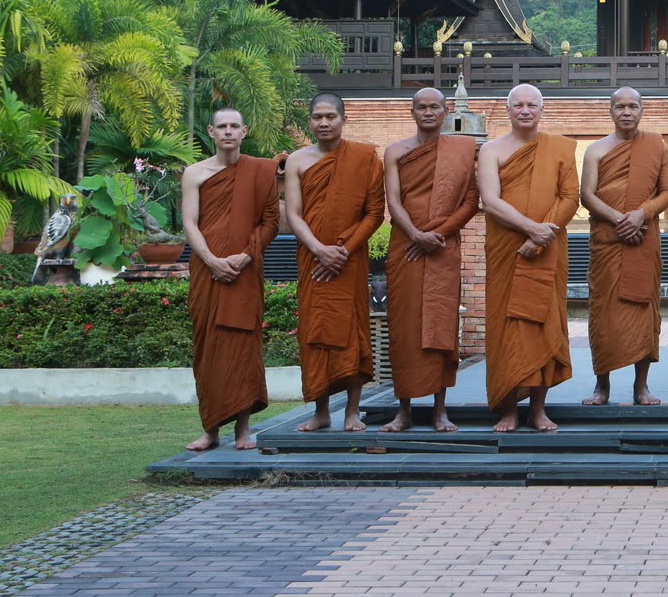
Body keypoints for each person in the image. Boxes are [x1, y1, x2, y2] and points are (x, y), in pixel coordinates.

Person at [479, 83, 579, 432]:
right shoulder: (490, 150)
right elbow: (490, 200)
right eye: (518, 104)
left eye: (531, 105)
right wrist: (529, 228)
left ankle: (537, 409)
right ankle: (508, 409)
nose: (525, 110)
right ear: (508, 110)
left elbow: (570, 197)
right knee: (506, 327)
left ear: (541, 109)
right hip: (507, 248)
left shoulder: (559, 148)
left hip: (547, 250)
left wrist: (542, 235)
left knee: (543, 324)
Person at [180, 107, 280, 452]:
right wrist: (211, 261)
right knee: (208, 350)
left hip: (243, 272)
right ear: (210, 131)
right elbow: (190, 223)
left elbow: (270, 222)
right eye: (221, 126)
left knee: (242, 350)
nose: (227, 132)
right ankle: (210, 430)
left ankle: (242, 430)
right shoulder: (194, 173)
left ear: (244, 131)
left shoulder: (260, 172)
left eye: (233, 126)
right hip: (208, 274)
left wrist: (246, 256)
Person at [379, 88, 480, 434]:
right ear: (412, 112)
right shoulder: (395, 152)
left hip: (441, 248)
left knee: (440, 326)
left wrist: (435, 233)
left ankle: (440, 411)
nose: (427, 112)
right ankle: (403, 411)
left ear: (445, 111)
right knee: (404, 328)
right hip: (406, 248)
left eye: (434, 107)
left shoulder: (463, 150)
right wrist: (416, 235)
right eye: (420, 107)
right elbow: (393, 202)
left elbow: (470, 202)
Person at [285, 93, 384, 433]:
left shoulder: (366, 157)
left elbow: (374, 214)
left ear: (344, 119)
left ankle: (352, 412)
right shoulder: (297, 161)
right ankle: (321, 411)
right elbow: (293, 215)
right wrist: (318, 249)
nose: (324, 123)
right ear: (310, 121)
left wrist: (342, 249)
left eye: (330, 116)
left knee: (352, 332)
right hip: (312, 261)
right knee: (317, 333)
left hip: (349, 261)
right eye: (317, 117)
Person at [579, 87, 668, 406]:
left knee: (643, 312)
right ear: (610, 111)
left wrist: (641, 214)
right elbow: (587, 196)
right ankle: (601, 385)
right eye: (619, 106)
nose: (626, 112)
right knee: (603, 313)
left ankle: (641, 387)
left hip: (644, 238)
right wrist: (622, 220)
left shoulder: (657, 145)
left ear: (641, 110)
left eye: (633, 106)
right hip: (607, 241)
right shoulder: (595, 149)